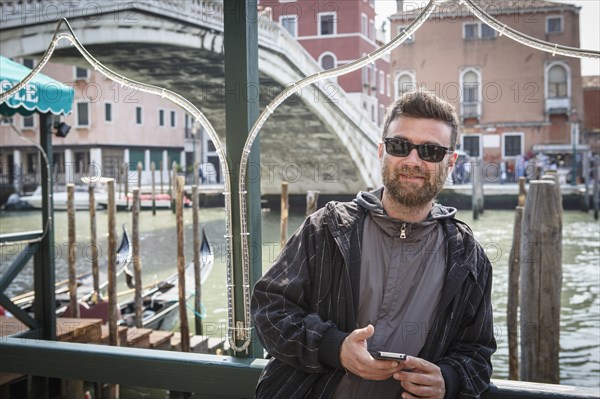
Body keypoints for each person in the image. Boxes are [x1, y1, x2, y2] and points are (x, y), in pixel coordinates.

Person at [251, 90, 496, 399]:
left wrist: (448, 379)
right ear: (382, 151)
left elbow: (478, 352)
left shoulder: (468, 257)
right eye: (399, 146)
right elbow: (269, 309)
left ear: (451, 161)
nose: (412, 160)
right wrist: (335, 348)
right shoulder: (325, 228)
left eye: (431, 151)